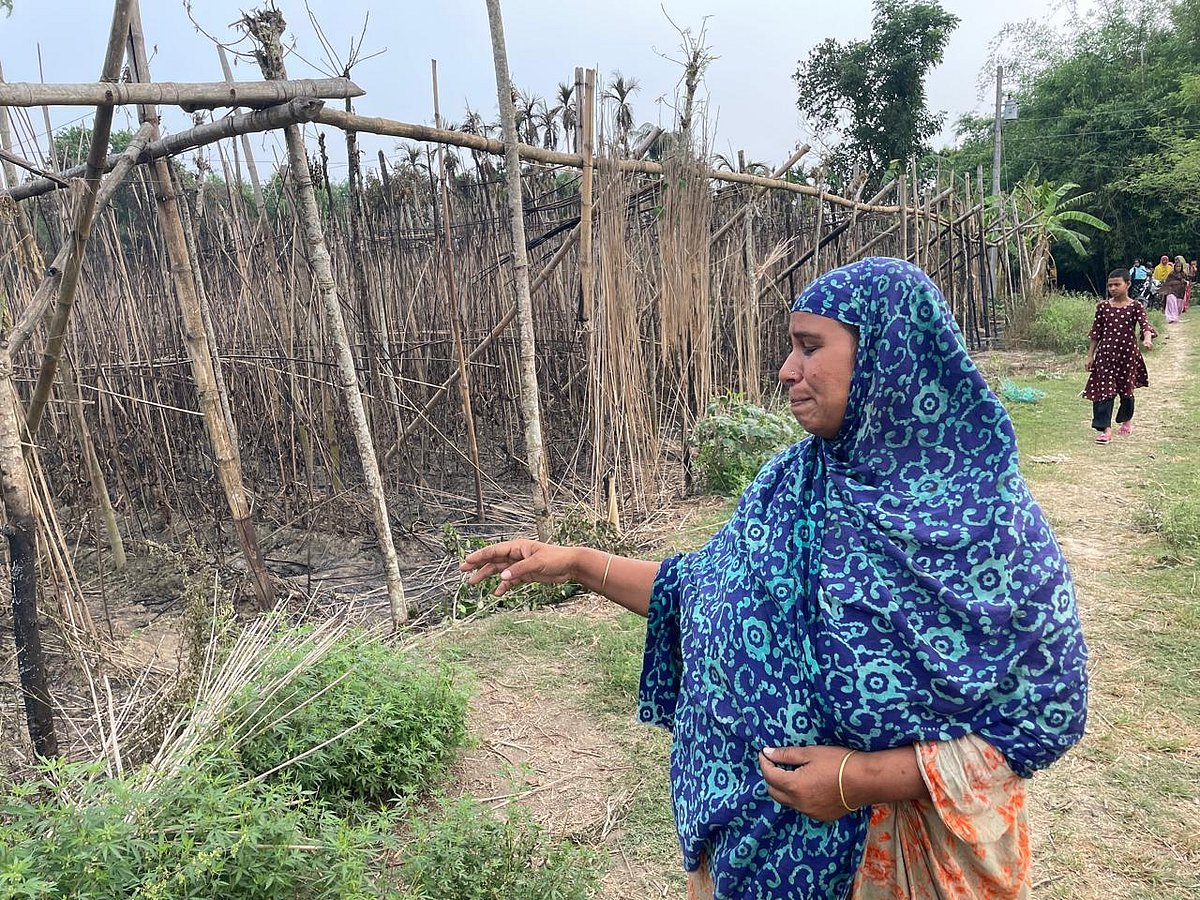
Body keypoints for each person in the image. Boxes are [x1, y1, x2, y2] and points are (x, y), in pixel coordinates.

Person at [462, 258, 1089, 899]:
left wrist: (858, 780)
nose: (787, 370)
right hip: (751, 852)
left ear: (887, 356)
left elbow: (1044, 719)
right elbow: (700, 593)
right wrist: (576, 563)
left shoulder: (989, 522)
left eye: (810, 347)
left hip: (890, 861)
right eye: (790, 346)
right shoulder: (790, 483)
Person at [1086, 268, 1155, 444]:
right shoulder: (1103, 307)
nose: (1113, 288)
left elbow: (1145, 325)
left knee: (1126, 390)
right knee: (1104, 392)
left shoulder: (1135, 306)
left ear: (1128, 284)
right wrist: (1090, 356)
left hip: (1128, 355)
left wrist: (1147, 339)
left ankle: (1126, 419)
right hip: (1105, 355)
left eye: (1117, 284)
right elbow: (1096, 333)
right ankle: (1105, 430)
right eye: (1110, 285)